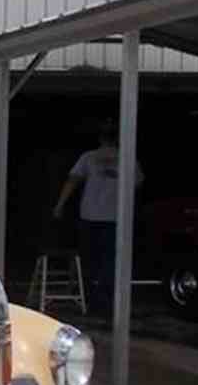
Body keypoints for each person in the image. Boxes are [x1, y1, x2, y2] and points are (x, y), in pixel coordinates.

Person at [52, 121, 143, 318]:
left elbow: (72, 180)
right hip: (116, 217)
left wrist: (60, 204)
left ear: (101, 138)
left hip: (90, 215)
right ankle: (109, 303)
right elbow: (136, 184)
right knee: (111, 260)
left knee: (91, 260)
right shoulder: (128, 158)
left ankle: (94, 302)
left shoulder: (89, 157)